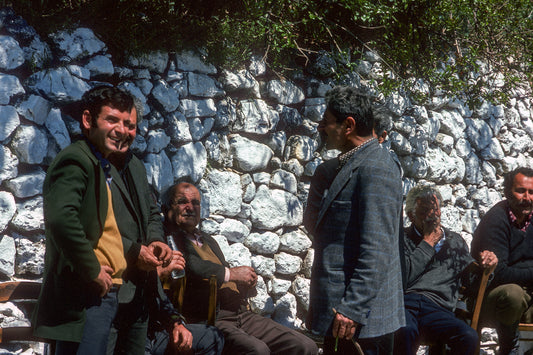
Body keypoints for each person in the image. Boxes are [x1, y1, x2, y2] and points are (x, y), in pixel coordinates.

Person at [33, 85, 172, 355]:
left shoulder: (105, 163)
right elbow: (62, 219)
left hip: (122, 291)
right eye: (112, 120)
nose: (122, 130)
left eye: (129, 125)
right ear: (88, 120)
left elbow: (149, 211)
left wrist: (156, 240)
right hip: (88, 292)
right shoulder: (77, 159)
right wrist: (91, 268)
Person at [162, 181, 318, 355]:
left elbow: (224, 272)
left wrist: (246, 281)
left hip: (240, 313)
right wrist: (232, 274)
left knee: (304, 345)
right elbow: (191, 266)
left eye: (196, 203)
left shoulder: (207, 239)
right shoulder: (169, 238)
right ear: (168, 207)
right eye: (183, 201)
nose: (190, 207)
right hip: (212, 317)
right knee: (257, 351)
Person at [305, 85, 404, 355]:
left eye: (326, 122)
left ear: (348, 125)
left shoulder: (377, 168)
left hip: (361, 320)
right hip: (343, 314)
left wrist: (352, 308)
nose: (320, 128)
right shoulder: (344, 165)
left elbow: (378, 248)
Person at [394, 184, 497, 355]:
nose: (432, 216)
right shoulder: (402, 239)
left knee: (468, 336)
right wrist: (428, 243)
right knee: (404, 331)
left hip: (438, 308)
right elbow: (403, 279)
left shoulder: (454, 241)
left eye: (435, 210)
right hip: (406, 305)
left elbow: (471, 284)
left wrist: (488, 268)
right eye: (425, 211)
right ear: (411, 216)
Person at [471, 167, 533, 355]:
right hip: (492, 299)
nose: (527, 197)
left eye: (532, 192)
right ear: (507, 192)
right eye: (521, 191)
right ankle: (508, 349)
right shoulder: (496, 219)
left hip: (528, 296)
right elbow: (500, 272)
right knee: (513, 294)